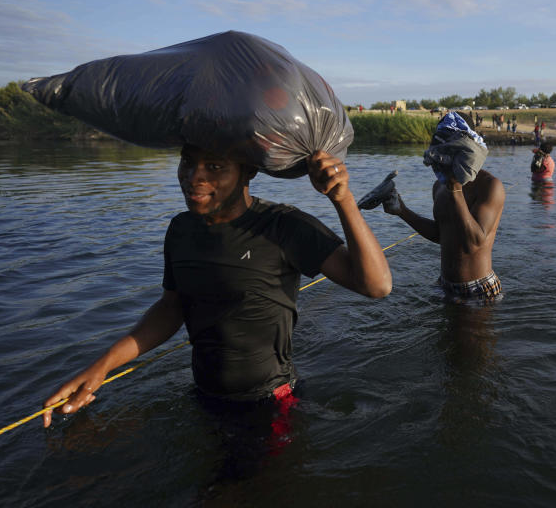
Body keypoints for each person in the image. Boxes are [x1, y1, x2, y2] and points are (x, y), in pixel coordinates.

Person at [43, 145, 392, 426]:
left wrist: (342, 199)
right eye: (188, 162)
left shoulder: (284, 227)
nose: (194, 178)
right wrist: (100, 368)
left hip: (270, 404)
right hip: (204, 396)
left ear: (248, 170)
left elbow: (376, 286)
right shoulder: (182, 229)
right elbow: (172, 306)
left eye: (214, 167)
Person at [383, 113, 505, 304]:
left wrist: (455, 189)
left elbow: (474, 242)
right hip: (444, 284)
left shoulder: (490, 186)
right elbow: (442, 235)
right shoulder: (439, 186)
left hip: (478, 286)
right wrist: (402, 211)